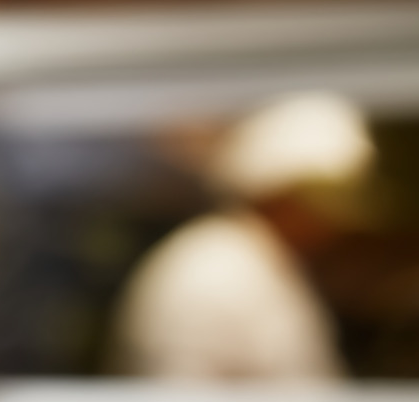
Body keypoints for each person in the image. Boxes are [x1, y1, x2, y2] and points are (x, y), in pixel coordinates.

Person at [112, 91, 373, 382]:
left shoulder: (267, 261)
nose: (338, 219)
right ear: (281, 196)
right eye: (328, 200)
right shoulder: (210, 269)